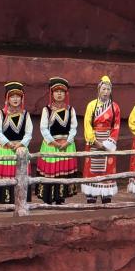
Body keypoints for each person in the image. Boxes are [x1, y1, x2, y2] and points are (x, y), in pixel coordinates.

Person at [36, 77, 80, 205]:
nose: (59, 94)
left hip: (66, 145)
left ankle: (60, 198)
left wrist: (68, 141)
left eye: (62, 91)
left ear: (66, 94)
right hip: (51, 145)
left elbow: (73, 128)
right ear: (52, 93)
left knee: (63, 173)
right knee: (51, 172)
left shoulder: (70, 110)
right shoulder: (47, 110)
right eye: (56, 91)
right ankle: (48, 197)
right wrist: (53, 142)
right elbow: (43, 128)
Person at [0, 82, 33, 204]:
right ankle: (5, 202)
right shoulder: (1, 114)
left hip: (21, 150)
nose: (15, 99)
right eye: (12, 96)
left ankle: (20, 201)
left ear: (22, 98)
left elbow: (29, 133)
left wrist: (21, 144)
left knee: (20, 176)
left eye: (18, 96)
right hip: (5, 149)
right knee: (6, 176)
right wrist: (8, 144)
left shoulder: (25, 114)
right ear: (7, 98)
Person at [82, 76, 121, 204]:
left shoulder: (115, 107)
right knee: (92, 168)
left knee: (107, 170)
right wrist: (94, 141)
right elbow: (87, 124)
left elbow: (116, 126)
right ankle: (91, 194)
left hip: (108, 142)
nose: (106, 92)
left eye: (108, 89)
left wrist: (109, 143)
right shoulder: (91, 105)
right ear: (99, 90)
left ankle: (106, 194)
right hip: (93, 141)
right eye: (103, 89)